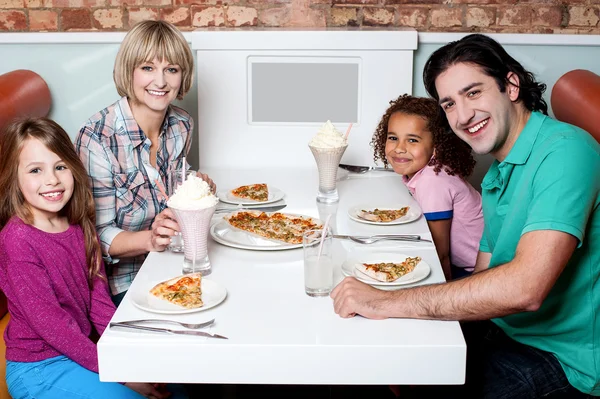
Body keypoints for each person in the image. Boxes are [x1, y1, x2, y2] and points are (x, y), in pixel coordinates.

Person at [332, 33, 600, 398]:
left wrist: (385, 301)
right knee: (377, 359)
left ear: (511, 85)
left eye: (473, 93)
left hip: (565, 359)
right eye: (449, 104)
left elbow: (526, 289)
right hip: (504, 329)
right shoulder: (497, 172)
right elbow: (483, 274)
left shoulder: (567, 152)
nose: (463, 116)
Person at [0, 117, 178, 399]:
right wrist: (120, 375)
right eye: (35, 170)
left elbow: (99, 301)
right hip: (39, 368)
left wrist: (126, 358)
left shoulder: (79, 225)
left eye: (60, 166)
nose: (52, 180)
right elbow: (55, 328)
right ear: (14, 177)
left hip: (78, 351)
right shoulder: (18, 240)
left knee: (175, 383)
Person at [75, 20, 215, 305]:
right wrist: (150, 239)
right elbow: (96, 236)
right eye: (148, 68)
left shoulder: (182, 125)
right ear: (129, 70)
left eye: (171, 69)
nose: (161, 82)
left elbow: (169, 191)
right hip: (125, 283)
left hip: (177, 261)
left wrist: (194, 187)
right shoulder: (97, 138)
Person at [371, 94, 483, 279]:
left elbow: (440, 253)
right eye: (393, 137)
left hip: (473, 271)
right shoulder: (426, 172)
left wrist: (443, 299)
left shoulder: (433, 180)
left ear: (436, 146)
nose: (399, 148)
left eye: (412, 140)